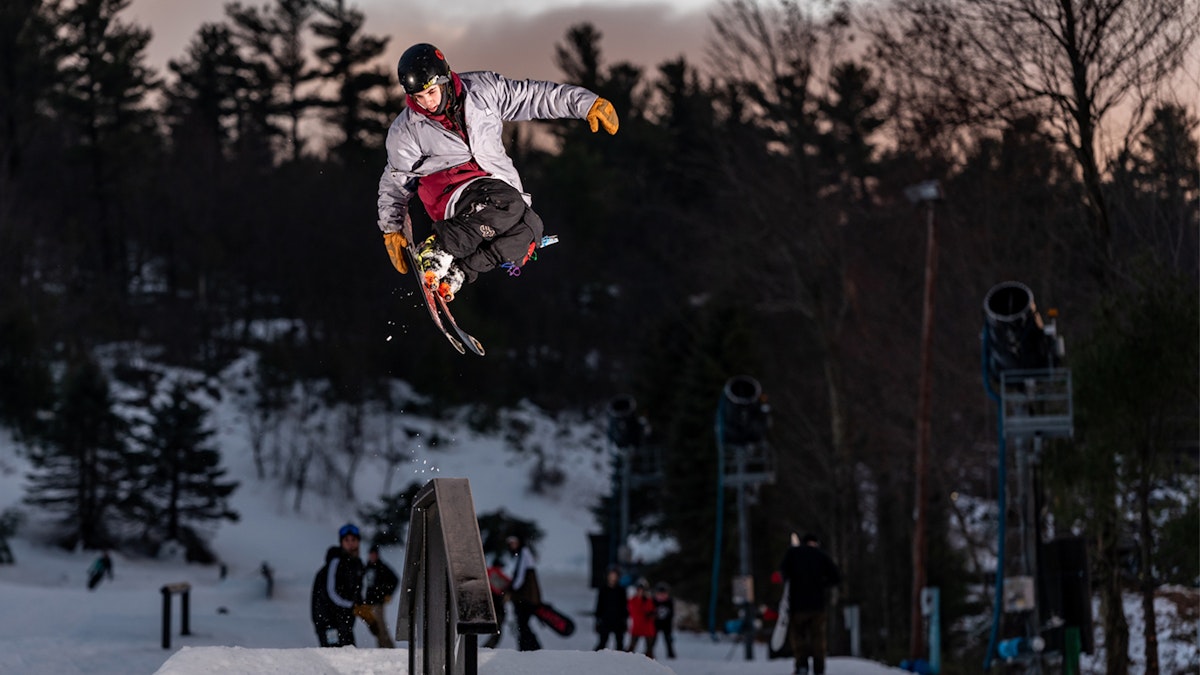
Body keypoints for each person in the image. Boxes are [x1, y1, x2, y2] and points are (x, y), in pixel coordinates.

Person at [377, 43, 619, 301]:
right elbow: (396, 182)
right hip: (450, 193)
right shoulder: (406, 131)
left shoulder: (483, 90)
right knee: (509, 204)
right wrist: (392, 228)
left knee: (530, 230)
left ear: (446, 79)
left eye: (431, 92)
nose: (427, 103)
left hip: (494, 185)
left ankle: (459, 271)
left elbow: (532, 96)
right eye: (418, 98)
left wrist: (585, 104)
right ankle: (437, 248)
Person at [779, 532, 841, 675]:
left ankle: (801, 666)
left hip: (797, 606)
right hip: (817, 606)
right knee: (818, 638)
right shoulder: (821, 555)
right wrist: (822, 584)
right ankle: (819, 668)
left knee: (798, 637)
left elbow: (783, 574)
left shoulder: (793, 554)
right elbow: (836, 577)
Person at [310, 523, 365, 647]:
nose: (350, 543)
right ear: (341, 542)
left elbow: (356, 590)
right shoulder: (336, 561)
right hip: (328, 620)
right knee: (334, 656)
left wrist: (361, 604)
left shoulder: (357, 564)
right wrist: (352, 605)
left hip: (344, 620)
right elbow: (331, 592)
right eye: (347, 540)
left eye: (354, 540)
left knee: (350, 655)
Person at [502, 534, 542, 651]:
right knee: (523, 623)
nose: (512, 546)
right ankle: (530, 646)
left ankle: (530, 646)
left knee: (523, 623)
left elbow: (521, 576)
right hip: (526, 597)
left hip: (525, 597)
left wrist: (512, 589)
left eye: (514, 543)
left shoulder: (524, 553)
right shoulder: (521, 554)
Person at [357, 544, 399, 648]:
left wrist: (388, 594)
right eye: (371, 554)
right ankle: (381, 648)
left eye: (374, 554)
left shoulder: (382, 567)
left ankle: (389, 648)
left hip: (378, 601)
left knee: (381, 626)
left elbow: (395, 580)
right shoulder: (366, 567)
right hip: (368, 603)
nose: (372, 556)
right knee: (375, 627)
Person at [593, 567, 628, 651]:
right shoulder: (603, 589)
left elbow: (624, 606)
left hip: (618, 620)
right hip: (606, 619)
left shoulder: (621, 590)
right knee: (602, 642)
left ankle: (621, 661)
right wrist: (598, 619)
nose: (613, 578)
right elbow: (599, 605)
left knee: (620, 644)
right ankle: (594, 659)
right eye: (611, 575)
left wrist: (624, 620)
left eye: (614, 576)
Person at [626, 578, 657, 658]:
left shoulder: (649, 600)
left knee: (649, 648)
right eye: (639, 589)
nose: (641, 592)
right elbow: (633, 611)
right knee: (631, 646)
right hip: (637, 625)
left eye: (642, 590)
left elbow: (652, 612)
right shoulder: (633, 600)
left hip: (647, 626)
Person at [653, 582, 677, 659]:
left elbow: (671, 613)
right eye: (660, 594)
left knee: (668, 640)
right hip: (656, 624)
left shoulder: (669, 602)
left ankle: (671, 653)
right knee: (652, 639)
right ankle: (649, 652)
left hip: (666, 624)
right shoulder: (654, 601)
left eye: (664, 594)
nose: (662, 596)